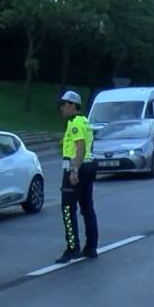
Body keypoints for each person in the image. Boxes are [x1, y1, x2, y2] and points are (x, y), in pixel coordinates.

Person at [56, 90, 98, 263]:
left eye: (64, 104)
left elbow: (80, 146)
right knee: (87, 208)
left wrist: (74, 170)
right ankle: (91, 247)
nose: (62, 108)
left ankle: (72, 248)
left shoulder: (74, 122)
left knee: (68, 209)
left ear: (73, 105)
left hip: (77, 167)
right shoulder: (85, 121)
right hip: (89, 165)